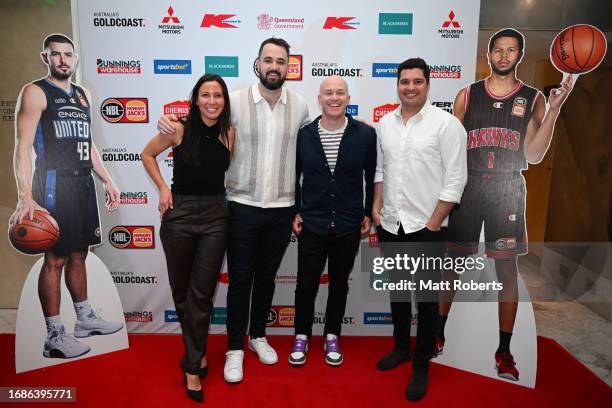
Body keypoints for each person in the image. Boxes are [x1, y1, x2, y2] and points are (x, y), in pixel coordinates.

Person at [157, 37, 310, 383]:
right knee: (240, 280)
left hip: (282, 208)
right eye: (268, 60)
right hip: (241, 205)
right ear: (258, 63)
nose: (274, 66)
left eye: (281, 61)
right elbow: (200, 119)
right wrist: (168, 121)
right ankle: (235, 348)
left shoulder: (300, 106)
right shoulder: (236, 101)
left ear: (289, 66)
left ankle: (257, 335)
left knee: (267, 278)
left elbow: (306, 156)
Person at [438, 28, 573, 381]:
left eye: (510, 50)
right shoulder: (467, 95)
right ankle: (436, 333)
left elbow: (533, 153)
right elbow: (452, 150)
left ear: (519, 56)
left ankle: (503, 350)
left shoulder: (531, 98)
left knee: (506, 271)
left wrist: (554, 111)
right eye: (497, 50)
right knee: (452, 263)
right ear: (489, 54)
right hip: (470, 186)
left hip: (507, 188)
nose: (503, 55)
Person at [9, 34, 122, 360]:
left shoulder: (83, 95)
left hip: (83, 183)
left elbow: (88, 143)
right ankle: (54, 335)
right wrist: (25, 195)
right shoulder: (36, 92)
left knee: (79, 254)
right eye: (56, 54)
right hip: (53, 185)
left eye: (68, 55)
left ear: (75, 58)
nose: (63, 60)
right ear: (45, 56)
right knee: (55, 259)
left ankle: (84, 320)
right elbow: (23, 146)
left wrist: (108, 181)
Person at [372, 58, 467, 401]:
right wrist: (377, 207)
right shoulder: (385, 124)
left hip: (427, 227)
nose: (410, 87)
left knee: (426, 301)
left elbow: (456, 180)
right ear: (397, 85)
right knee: (398, 292)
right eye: (404, 81)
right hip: (392, 224)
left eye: (417, 81)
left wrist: (433, 221)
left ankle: (422, 365)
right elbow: (381, 170)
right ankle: (401, 348)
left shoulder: (447, 125)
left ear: (428, 84)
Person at [142, 74, 234, 403]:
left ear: (225, 101)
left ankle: (192, 367)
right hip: (178, 215)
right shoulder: (178, 128)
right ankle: (198, 352)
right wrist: (163, 188)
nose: (212, 101)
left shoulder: (229, 134)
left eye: (218, 96)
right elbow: (146, 154)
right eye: (206, 95)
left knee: (202, 293)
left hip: (214, 218)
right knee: (183, 293)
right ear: (196, 99)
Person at [290, 76, 376, 367]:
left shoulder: (364, 135)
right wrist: (297, 211)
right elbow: (294, 178)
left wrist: (366, 212)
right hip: (313, 224)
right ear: (319, 98)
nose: (334, 98)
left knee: (339, 285)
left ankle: (331, 335)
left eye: (340, 93)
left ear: (348, 98)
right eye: (329, 93)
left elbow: (372, 177)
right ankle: (301, 334)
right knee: (306, 285)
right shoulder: (304, 135)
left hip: (348, 225)